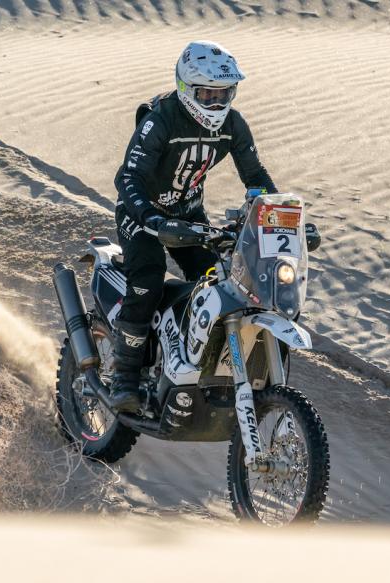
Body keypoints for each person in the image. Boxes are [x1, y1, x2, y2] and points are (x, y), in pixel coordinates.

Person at [110, 40, 277, 412]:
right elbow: (129, 178)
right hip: (143, 215)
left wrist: (279, 217)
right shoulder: (161, 119)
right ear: (186, 89)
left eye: (225, 94)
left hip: (189, 215)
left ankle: (190, 362)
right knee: (148, 280)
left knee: (216, 281)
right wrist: (151, 219)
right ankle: (124, 376)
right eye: (208, 94)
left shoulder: (233, 124)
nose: (217, 104)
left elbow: (255, 175)